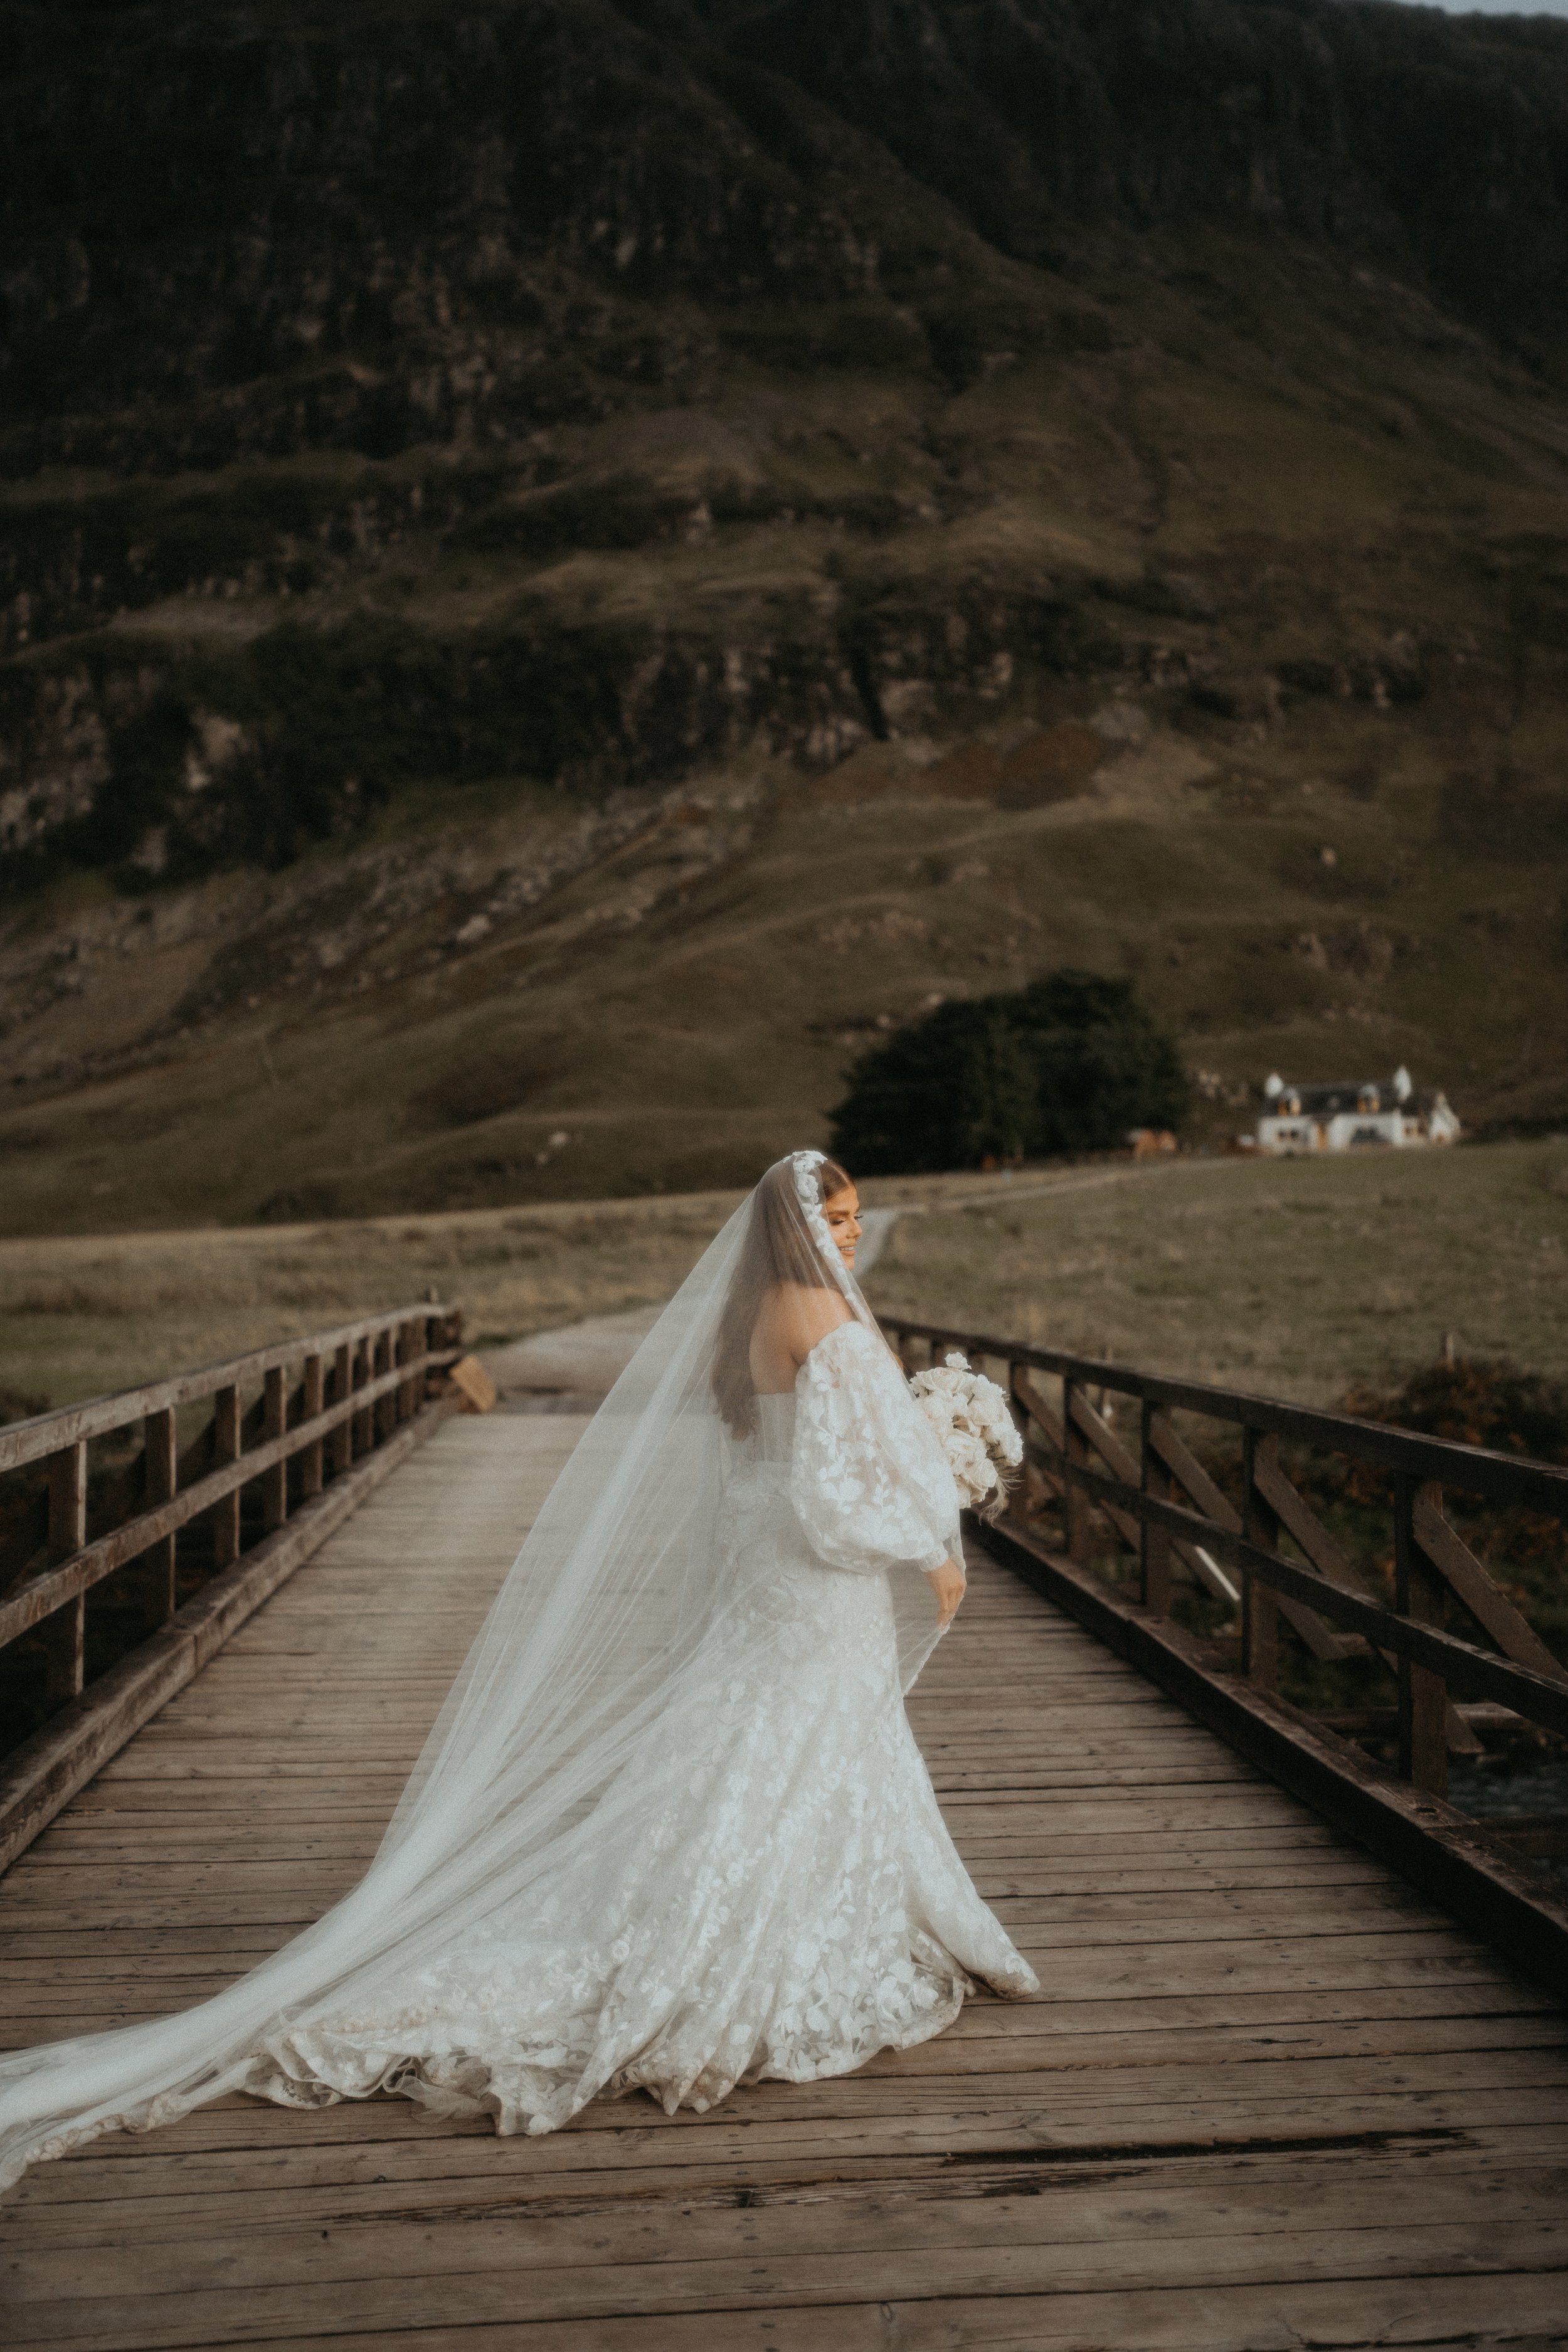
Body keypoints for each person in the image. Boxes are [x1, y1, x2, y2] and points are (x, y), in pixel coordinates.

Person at [0, 1152, 1037, 2191]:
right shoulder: (834, 1324)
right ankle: (760, 1938)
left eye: (856, 1216)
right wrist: (934, 1532)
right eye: (838, 1215)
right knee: (805, 1733)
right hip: (812, 1578)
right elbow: (839, 1496)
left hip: (764, 1563)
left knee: (757, 1733)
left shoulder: (758, 1310)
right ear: (798, 1224)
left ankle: (740, 1897)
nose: (851, 1232)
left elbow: (774, 1466)